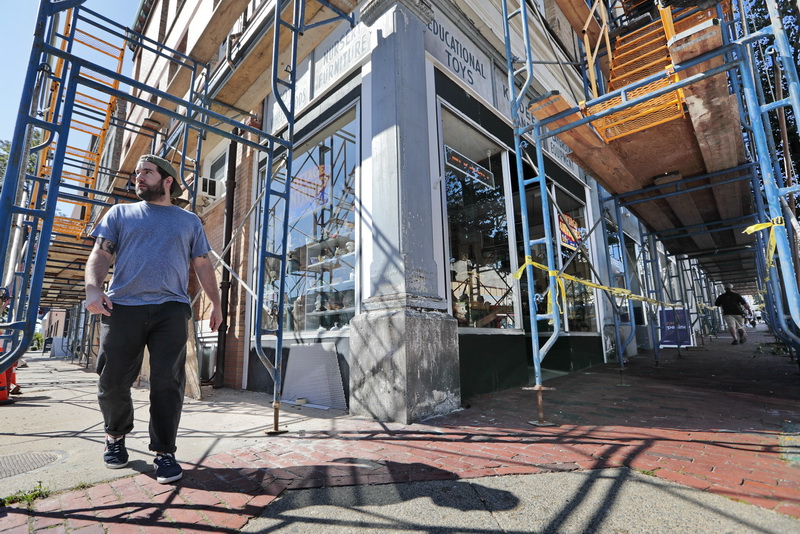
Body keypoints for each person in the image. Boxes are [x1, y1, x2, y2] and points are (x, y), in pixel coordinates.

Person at [84, 154, 222, 484]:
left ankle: (164, 452)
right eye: (137, 173)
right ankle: (115, 437)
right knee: (113, 380)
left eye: (146, 172)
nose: (139, 177)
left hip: (171, 309)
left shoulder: (188, 221)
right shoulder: (120, 213)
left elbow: (203, 265)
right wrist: (92, 288)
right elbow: (100, 254)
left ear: (167, 181)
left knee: (168, 383)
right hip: (123, 307)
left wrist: (216, 304)